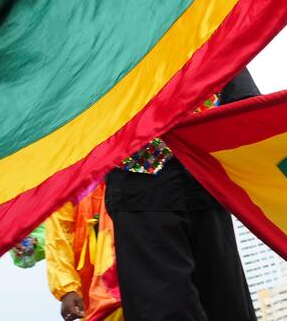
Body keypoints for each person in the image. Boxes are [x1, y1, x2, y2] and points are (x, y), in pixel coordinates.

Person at [105, 70, 259, 321]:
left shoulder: (199, 30)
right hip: (141, 185)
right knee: (163, 308)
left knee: (225, 304)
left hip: (203, 180)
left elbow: (243, 98)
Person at [45, 183, 122, 321]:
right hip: (98, 294)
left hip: (146, 277)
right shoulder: (69, 176)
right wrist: (67, 289)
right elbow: (58, 235)